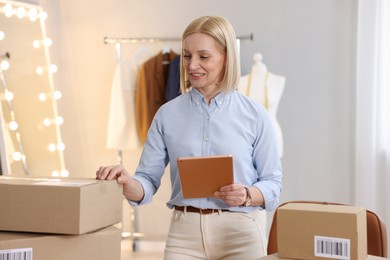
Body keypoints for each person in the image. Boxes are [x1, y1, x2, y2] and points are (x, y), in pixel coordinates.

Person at [96, 15, 282, 260]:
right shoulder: (167, 114)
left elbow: (273, 184)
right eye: (186, 55)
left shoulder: (255, 115)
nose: (192, 65)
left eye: (203, 57)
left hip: (241, 233)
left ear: (226, 58)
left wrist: (247, 194)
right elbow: (147, 181)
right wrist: (127, 183)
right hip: (184, 235)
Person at [238, 53, 286, 157]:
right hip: (247, 135)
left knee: (272, 171)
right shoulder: (241, 81)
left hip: (272, 132)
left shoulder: (277, 80)